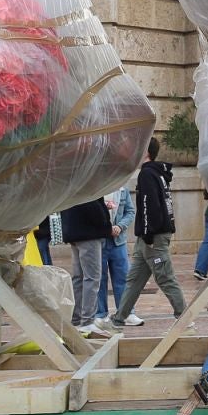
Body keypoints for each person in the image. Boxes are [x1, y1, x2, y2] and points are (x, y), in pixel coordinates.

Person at [106, 138, 187, 329]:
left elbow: (149, 206)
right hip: (149, 236)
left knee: (165, 277)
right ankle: (120, 318)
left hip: (153, 236)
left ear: (145, 152)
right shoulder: (157, 173)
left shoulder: (147, 174)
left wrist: (149, 235)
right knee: (134, 279)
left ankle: (183, 317)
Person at [58, 195, 113, 337]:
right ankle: (87, 321)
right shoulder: (89, 179)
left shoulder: (73, 178)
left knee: (79, 277)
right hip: (88, 232)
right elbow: (92, 203)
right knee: (92, 277)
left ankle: (76, 319)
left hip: (74, 230)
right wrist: (105, 223)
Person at [97, 182, 133, 320]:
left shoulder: (123, 189)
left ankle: (126, 312)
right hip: (99, 240)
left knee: (123, 277)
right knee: (99, 279)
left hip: (118, 241)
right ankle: (100, 313)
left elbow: (130, 211)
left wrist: (120, 226)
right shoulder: (96, 188)